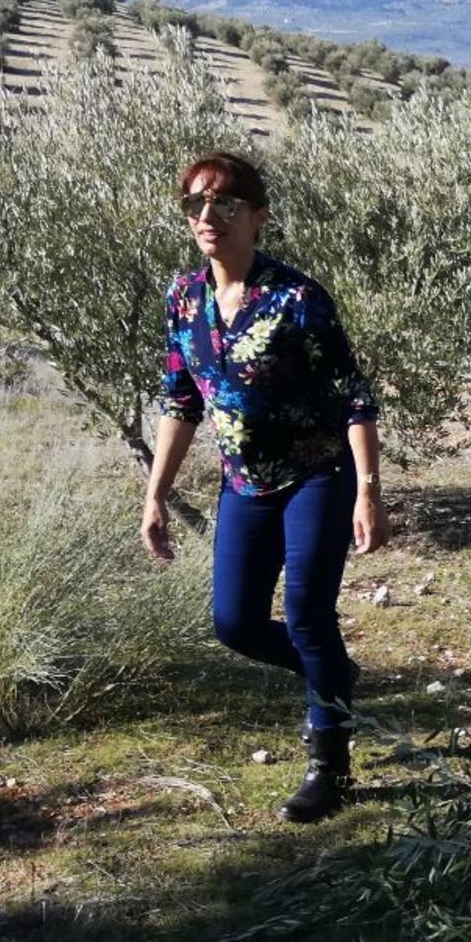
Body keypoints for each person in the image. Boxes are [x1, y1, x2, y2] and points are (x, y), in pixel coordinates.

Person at [141, 151, 383, 825]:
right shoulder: (183, 299)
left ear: (258, 217)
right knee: (236, 624)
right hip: (243, 486)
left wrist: (368, 491)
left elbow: (353, 400)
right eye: (196, 204)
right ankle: (331, 674)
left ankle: (328, 765)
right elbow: (181, 400)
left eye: (224, 203)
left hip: (318, 476)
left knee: (307, 614)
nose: (208, 216)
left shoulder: (297, 298)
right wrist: (155, 494)